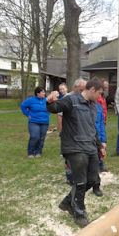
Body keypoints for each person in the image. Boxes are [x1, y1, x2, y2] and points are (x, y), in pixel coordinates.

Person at [46, 78, 106, 227]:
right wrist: (50, 101)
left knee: (92, 180)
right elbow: (53, 108)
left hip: (90, 147)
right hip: (74, 148)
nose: (100, 97)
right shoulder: (71, 100)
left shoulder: (94, 106)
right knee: (80, 182)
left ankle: (67, 202)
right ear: (92, 89)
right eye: (99, 93)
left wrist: (100, 146)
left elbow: (92, 129)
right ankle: (79, 214)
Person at [20, 86, 50, 158]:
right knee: (34, 137)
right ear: (37, 93)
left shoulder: (46, 100)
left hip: (45, 122)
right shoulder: (31, 100)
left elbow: (54, 104)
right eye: (42, 92)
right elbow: (22, 105)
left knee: (41, 138)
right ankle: (30, 152)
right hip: (34, 121)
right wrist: (27, 114)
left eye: (44, 92)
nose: (44, 93)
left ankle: (38, 152)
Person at [97, 79, 109, 172]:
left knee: (102, 143)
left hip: (102, 121)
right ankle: (98, 165)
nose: (105, 89)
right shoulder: (96, 98)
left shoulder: (103, 97)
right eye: (104, 87)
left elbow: (104, 109)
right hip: (96, 123)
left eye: (106, 87)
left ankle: (101, 165)